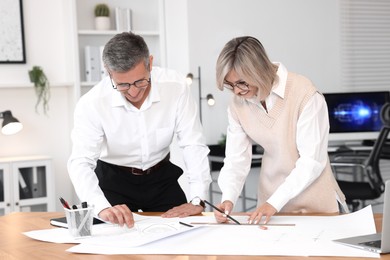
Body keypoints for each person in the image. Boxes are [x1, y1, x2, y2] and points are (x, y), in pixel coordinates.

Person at [67, 32, 211, 228]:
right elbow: (80, 162)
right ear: (108, 72)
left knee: (185, 231)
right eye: (123, 85)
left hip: (161, 178)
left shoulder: (175, 87)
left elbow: (193, 144)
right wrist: (100, 207)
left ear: (150, 63)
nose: (133, 92)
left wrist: (198, 198)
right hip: (113, 181)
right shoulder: (91, 103)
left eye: (140, 81)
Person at [214, 36, 347, 225]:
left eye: (241, 83)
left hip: (316, 204)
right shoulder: (238, 104)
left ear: (258, 70)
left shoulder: (304, 93)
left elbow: (312, 161)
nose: (236, 91)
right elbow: (237, 159)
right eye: (230, 85)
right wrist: (228, 199)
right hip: (271, 207)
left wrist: (274, 203)